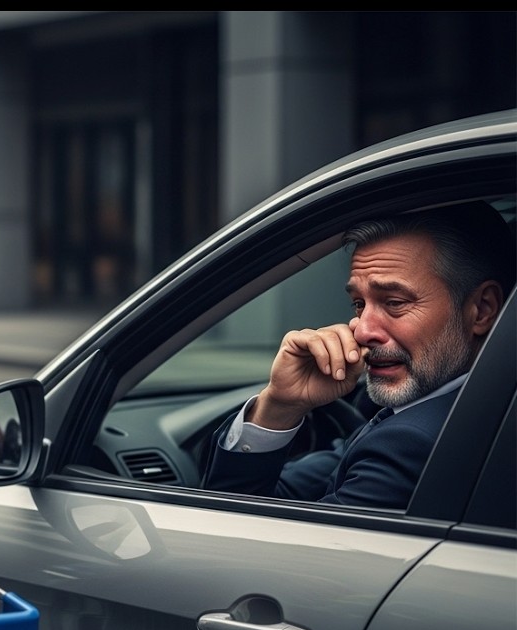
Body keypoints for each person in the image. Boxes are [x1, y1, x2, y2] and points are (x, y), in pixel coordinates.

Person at [201, 200, 514, 509]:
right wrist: (280, 405)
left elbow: (238, 533)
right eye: (359, 304)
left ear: (482, 310)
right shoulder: (444, 411)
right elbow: (282, 498)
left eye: (394, 302)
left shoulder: (409, 444)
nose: (361, 331)